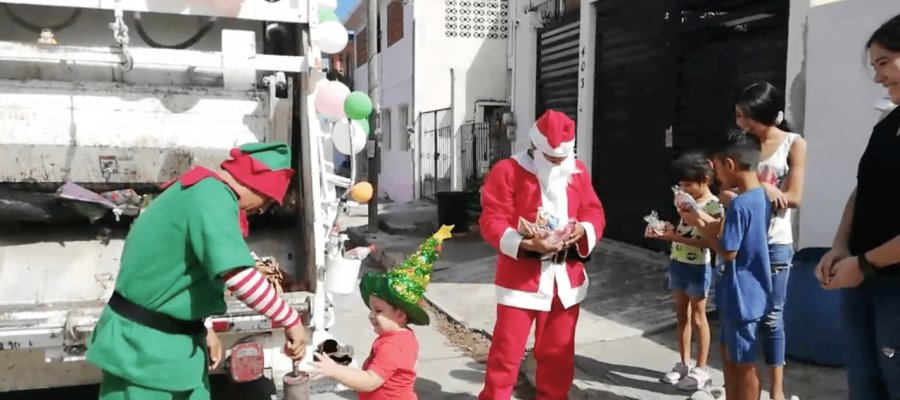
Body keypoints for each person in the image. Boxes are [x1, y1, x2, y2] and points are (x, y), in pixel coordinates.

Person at [86, 142, 308, 400]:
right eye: (268, 201)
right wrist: (289, 318)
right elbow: (238, 275)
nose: (261, 210)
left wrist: (205, 325)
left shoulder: (201, 191)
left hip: (175, 347)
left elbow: (185, 270)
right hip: (143, 350)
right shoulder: (212, 196)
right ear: (257, 183)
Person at [477, 109, 606, 399]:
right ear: (536, 148)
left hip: (566, 281)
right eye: (553, 159)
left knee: (558, 358)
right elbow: (491, 219)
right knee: (505, 358)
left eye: (563, 158)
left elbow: (593, 212)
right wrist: (525, 244)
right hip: (520, 280)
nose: (560, 163)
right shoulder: (508, 171)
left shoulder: (578, 171)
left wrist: (583, 230)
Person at [815, 14, 900, 400]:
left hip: (892, 286)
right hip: (863, 280)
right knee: (864, 386)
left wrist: (865, 263)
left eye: (884, 63)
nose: (879, 76)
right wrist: (839, 247)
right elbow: (862, 189)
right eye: (875, 66)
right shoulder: (888, 123)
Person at [312, 225, 453, 400]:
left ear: (400, 315)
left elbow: (370, 381)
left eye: (378, 310)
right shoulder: (405, 337)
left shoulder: (391, 346)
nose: (371, 315)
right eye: (371, 309)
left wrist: (335, 371)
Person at [683, 130, 772, 400]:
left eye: (717, 167)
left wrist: (698, 223)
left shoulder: (740, 205)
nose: (716, 175)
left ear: (730, 165)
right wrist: (701, 216)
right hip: (747, 292)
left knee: (742, 363)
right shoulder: (759, 198)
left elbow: (727, 249)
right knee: (732, 358)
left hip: (740, 295)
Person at [732, 81, 807, 400]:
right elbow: (730, 187)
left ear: (765, 115)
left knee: (772, 319)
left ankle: (775, 392)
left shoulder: (793, 143)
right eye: (738, 116)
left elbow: (793, 197)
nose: (741, 123)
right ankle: (742, 389)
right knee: (741, 317)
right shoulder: (741, 142)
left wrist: (762, 189)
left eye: (746, 116)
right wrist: (762, 189)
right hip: (742, 241)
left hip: (775, 243)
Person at [646, 152, 722, 391]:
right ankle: (683, 363)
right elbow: (683, 230)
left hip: (698, 267)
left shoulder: (714, 207)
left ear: (706, 180)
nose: (684, 190)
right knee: (681, 316)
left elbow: (711, 242)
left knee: (699, 317)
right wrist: (666, 230)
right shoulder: (683, 201)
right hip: (677, 263)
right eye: (681, 186)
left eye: (689, 185)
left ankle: (702, 369)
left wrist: (674, 237)